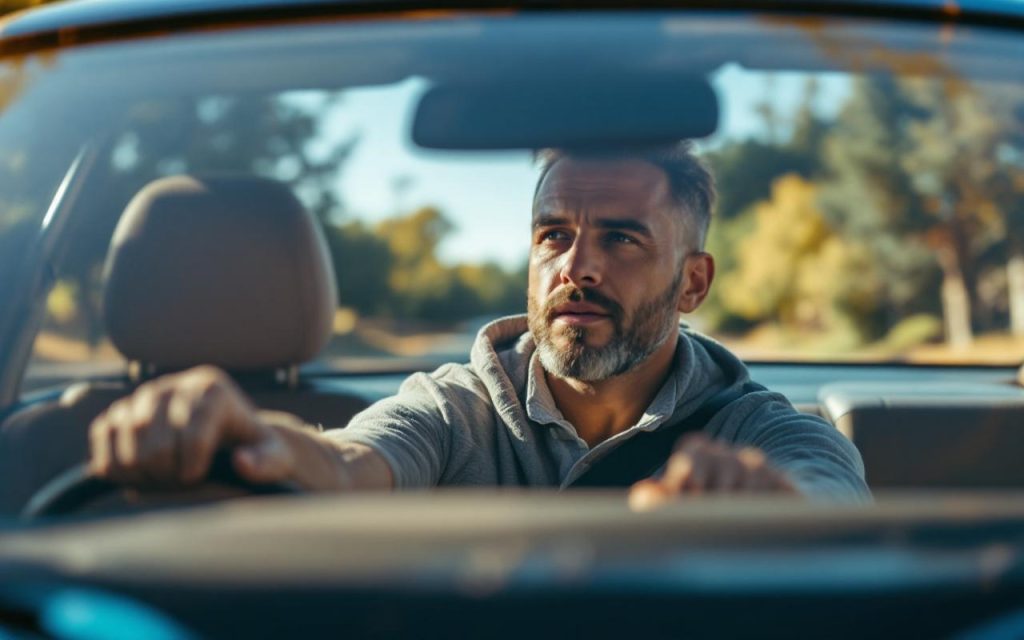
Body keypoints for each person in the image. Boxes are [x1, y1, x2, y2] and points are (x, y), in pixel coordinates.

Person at [89, 142, 870, 506]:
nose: (576, 267)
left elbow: (828, 495)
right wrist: (249, 436)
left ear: (693, 282)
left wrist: (770, 510)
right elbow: (356, 462)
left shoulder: (757, 426)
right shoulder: (450, 406)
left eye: (622, 238)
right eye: (553, 234)